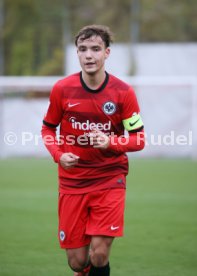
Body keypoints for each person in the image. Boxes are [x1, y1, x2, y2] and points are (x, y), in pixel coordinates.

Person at [41, 25, 145, 276]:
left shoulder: (123, 93)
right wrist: (58, 155)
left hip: (109, 179)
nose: (89, 55)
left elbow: (138, 139)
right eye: (83, 49)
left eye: (96, 49)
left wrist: (111, 143)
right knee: (77, 262)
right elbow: (47, 130)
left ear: (107, 53)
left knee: (99, 254)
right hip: (72, 183)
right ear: (77, 53)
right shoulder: (62, 90)